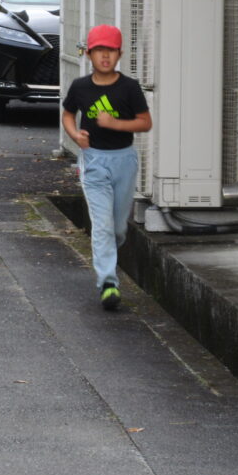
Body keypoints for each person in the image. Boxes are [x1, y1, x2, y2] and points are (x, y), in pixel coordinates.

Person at [61, 24, 152, 311]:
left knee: (117, 228)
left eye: (110, 51)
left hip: (124, 160)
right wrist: (75, 135)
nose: (104, 56)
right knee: (102, 225)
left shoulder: (129, 88)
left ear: (120, 54)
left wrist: (115, 124)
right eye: (99, 51)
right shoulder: (80, 87)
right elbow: (67, 114)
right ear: (89, 54)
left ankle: (110, 255)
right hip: (94, 161)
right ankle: (108, 283)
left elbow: (145, 122)